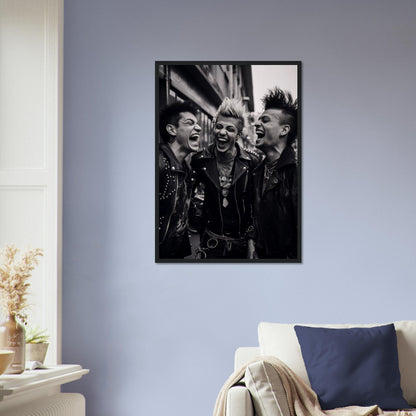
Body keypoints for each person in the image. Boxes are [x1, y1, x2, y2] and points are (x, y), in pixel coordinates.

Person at [191, 98, 260, 259]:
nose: (222, 132)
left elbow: (256, 206)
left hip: (242, 245)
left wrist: (251, 240)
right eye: (219, 127)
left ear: (238, 135)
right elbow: (192, 197)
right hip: (210, 243)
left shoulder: (252, 163)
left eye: (230, 129)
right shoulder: (200, 160)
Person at [252, 87, 298, 259]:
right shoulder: (257, 171)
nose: (257, 124)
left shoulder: (298, 173)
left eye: (265, 120)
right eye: (258, 120)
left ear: (284, 130)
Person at [158, 101, 201, 259]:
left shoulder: (186, 169)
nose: (199, 128)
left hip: (174, 254)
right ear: (172, 129)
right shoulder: (158, 163)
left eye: (197, 123)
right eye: (190, 123)